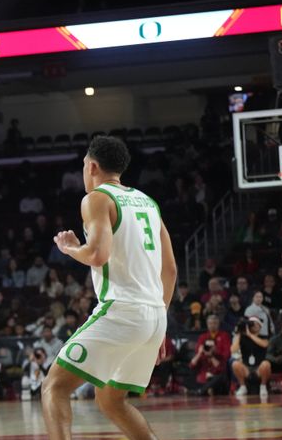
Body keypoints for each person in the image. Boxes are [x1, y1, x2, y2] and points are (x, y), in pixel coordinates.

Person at [42, 136, 177, 440]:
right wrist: (161, 322)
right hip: (155, 315)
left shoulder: (96, 199)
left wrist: (70, 248)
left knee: (54, 387)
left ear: (91, 166)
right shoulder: (148, 202)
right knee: (111, 400)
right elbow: (170, 269)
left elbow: (96, 255)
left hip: (122, 311)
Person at [231, 317, 271, 396]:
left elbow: (265, 344)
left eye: (257, 324)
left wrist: (250, 335)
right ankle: (243, 387)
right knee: (235, 364)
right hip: (247, 368)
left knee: (266, 364)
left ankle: (263, 387)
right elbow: (233, 350)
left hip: (259, 368)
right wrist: (239, 334)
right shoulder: (242, 338)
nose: (254, 326)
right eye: (252, 324)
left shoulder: (263, 337)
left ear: (260, 326)